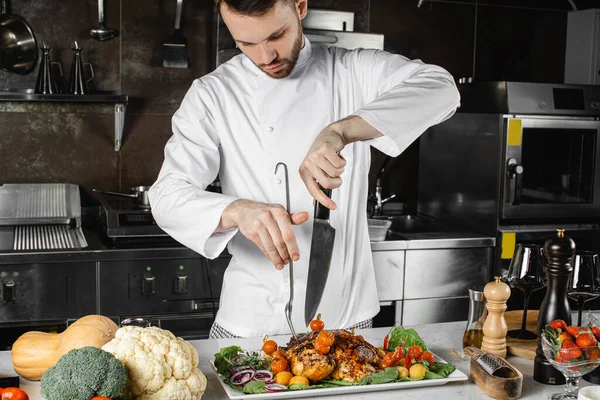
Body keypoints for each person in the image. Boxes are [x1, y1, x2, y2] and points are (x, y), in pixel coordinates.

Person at [148, 0, 460, 339]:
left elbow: (441, 87)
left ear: (299, 6)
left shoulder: (353, 71)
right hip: (249, 323)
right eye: (246, 43)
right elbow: (166, 196)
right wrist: (238, 211)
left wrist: (341, 130)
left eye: (276, 35)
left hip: (348, 319)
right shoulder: (213, 94)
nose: (265, 56)